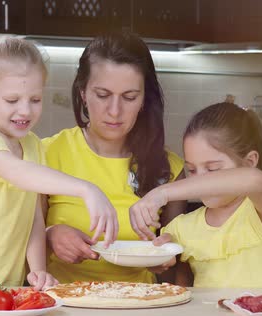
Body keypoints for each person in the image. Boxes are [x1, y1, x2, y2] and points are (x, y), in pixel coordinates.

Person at [0, 36, 118, 289]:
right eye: (12, 100)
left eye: (35, 100)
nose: (26, 111)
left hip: (8, 288)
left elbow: (33, 219)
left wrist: (38, 270)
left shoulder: (33, 146)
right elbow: (17, 172)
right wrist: (87, 188)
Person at [42, 32, 187, 284]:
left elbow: (178, 269)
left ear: (143, 99)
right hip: (63, 308)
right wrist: (50, 236)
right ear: (83, 92)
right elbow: (16, 244)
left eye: (129, 97)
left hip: (140, 309)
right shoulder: (46, 154)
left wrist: (169, 254)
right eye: (102, 95)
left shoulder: (171, 169)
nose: (114, 111)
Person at [130, 102, 262, 288]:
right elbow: (180, 287)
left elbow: (258, 181)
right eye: (191, 170)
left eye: (213, 169)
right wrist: (162, 254)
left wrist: (162, 192)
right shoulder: (182, 227)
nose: (199, 181)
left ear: (249, 162)